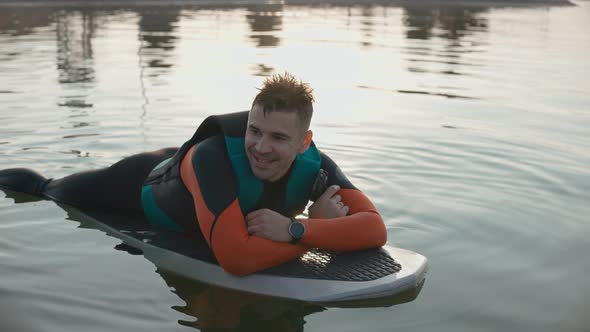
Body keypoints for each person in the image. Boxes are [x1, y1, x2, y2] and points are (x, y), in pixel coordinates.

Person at [0, 73, 386, 276]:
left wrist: (294, 230)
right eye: (254, 130)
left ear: (305, 142)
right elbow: (236, 259)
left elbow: (374, 229)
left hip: (197, 195)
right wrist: (307, 231)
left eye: (278, 137)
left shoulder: (316, 166)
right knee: (46, 189)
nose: (261, 147)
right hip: (137, 187)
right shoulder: (211, 158)